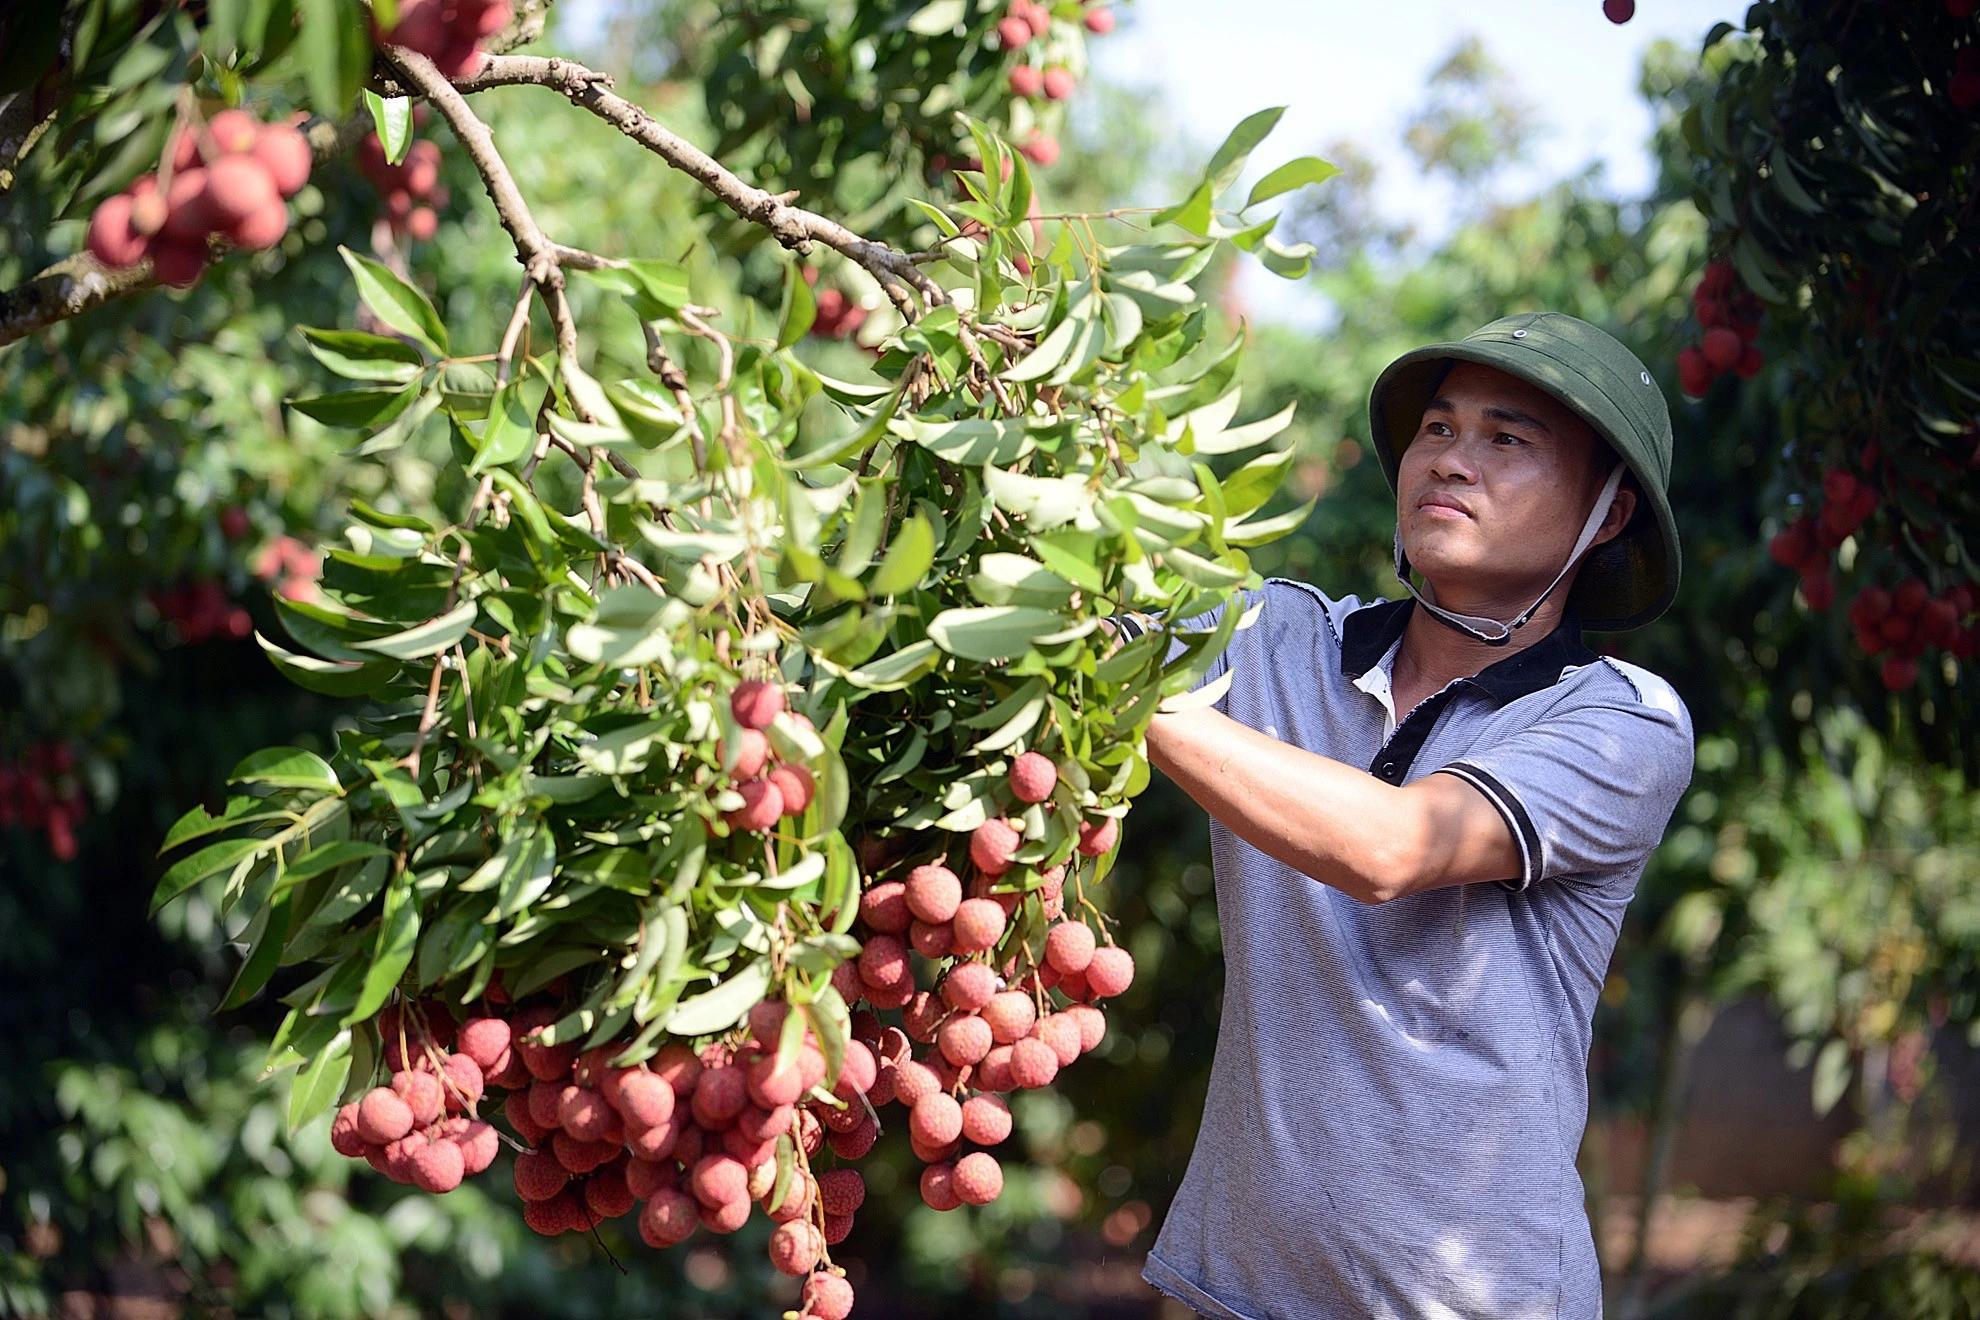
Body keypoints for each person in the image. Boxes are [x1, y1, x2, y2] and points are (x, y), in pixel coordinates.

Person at [1134, 313, 1695, 1320]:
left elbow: (1392, 845)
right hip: (1236, 1295)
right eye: (1438, 430)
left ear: (1607, 516)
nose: (1452, 463)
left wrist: (1124, 698)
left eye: (1506, 439)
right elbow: (1086, 614)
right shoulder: (1278, 639)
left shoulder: (1622, 721)